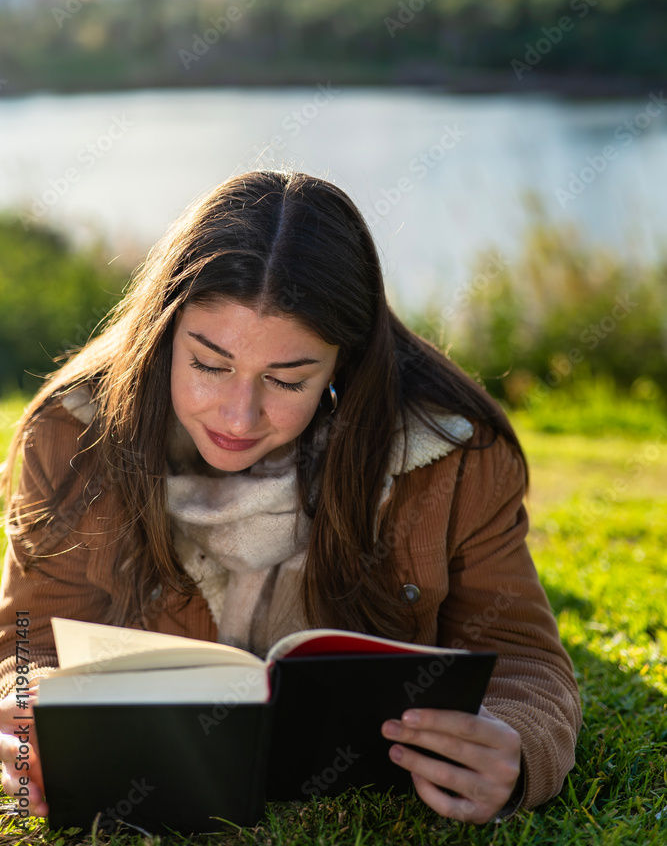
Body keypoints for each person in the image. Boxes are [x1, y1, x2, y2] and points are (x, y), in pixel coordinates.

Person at [0, 170, 581, 825]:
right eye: (210, 365)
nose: (239, 415)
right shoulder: (71, 438)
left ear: (344, 365)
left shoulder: (453, 456)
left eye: (286, 379)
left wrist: (515, 743)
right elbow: (25, 645)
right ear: (162, 335)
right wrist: (27, 713)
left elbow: (524, 657)